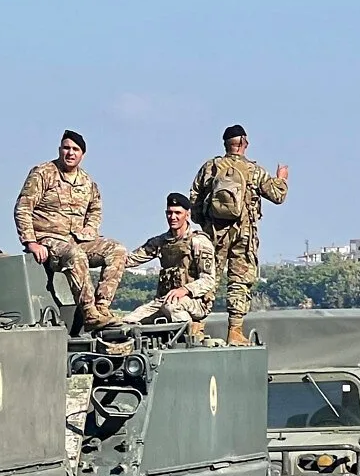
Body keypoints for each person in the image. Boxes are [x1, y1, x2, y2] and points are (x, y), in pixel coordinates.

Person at [14, 129, 128, 329]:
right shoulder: (43, 173)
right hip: (49, 240)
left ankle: (101, 308)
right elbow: (23, 208)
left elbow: (95, 209)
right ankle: (89, 312)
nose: (70, 153)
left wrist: (90, 229)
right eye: (66, 148)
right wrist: (30, 242)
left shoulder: (86, 181)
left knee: (117, 249)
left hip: (77, 239)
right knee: (75, 255)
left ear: (82, 154)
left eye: (75, 149)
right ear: (60, 150)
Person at [189, 124, 289, 346]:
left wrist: (205, 221)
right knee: (239, 281)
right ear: (244, 143)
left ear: (226, 144)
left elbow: (194, 197)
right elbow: (278, 195)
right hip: (244, 235)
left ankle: (196, 327)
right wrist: (281, 178)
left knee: (207, 277)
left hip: (214, 233)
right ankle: (234, 331)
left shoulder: (211, 167)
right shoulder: (254, 170)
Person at [120, 194, 218, 330]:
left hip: (195, 301)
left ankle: (190, 334)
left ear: (187, 214)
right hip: (164, 299)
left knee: (172, 307)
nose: (173, 217)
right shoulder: (161, 242)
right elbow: (130, 259)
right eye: (169, 213)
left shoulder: (198, 241)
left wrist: (185, 290)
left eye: (178, 213)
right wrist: (109, 256)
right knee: (127, 322)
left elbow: (208, 280)